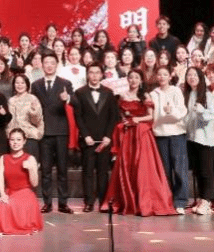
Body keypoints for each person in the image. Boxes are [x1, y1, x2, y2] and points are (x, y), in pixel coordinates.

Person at [106, 69, 175, 216]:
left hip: (141, 134)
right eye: (131, 77)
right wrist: (125, 121)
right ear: (127, 79)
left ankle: (143, 202)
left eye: (136, 77)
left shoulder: (145, 96)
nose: (133, 80)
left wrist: (137, 120)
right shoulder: (122, 96)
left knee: (142, 166)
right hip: (127, 134)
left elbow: (151, 116)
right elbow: (121, 115)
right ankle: (128, 201)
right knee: (127, 165)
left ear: (141, 80)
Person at [73, 63, 119, 212]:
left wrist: (108, 136)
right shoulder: (79, 92)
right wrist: (85, 135)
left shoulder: (109, 93)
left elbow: (113, 117)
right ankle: (89, 202)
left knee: (103, 172)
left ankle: (103, 201)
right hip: (87, 140)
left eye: (97, 72)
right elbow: (78, 117)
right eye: (91, 72)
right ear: (87, 75)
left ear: (101, 75)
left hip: (104, 140)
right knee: (87, 172)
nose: (94, 75)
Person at [33, 53, 75, 213]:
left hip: (61, 131)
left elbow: (76, 103)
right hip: (44, 132)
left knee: (63, 169)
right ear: (42, 65)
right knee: (46, 170)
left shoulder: (65, 83)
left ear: (56, 65)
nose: (49, 65)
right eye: (46, 62)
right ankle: (47, 203)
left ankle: (63, 203)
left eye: (52, 62)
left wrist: (67, 99)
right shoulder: (36, 85)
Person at [149, 66, 189, 213]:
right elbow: (154, 116)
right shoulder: (153, 94)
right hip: (160, 135)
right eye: (159, 74)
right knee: (164, 170)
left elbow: (181, 112)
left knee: (179, 168)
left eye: (165, 74)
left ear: (170, 76)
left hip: (177, 133)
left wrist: (170, 111)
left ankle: (180, 201)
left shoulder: (176, 91)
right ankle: (166, 200)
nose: (162, 77)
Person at [181, 66, 214, 216]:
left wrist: (202, 111)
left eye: (195, 75)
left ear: (200, 78)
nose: (192, 77)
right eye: (189, 75)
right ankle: (202, 199)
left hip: (205, 138)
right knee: (198, 171)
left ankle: (207, 201)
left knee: (206, 171)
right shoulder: (187, 94)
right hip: (191, 137)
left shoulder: (207, 94)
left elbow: (212, 115)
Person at [0, 128, 43, 234]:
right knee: (3, 203)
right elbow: (0, 178)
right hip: (10, 192)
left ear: (24, 141)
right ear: (9, 141)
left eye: (18, 139)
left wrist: (31, 169)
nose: (15, 142)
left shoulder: (30, 158)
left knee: (15, 204)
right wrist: (2, 194)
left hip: (24, 193)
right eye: (12, 140)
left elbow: (35, 183)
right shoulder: (3, 158)